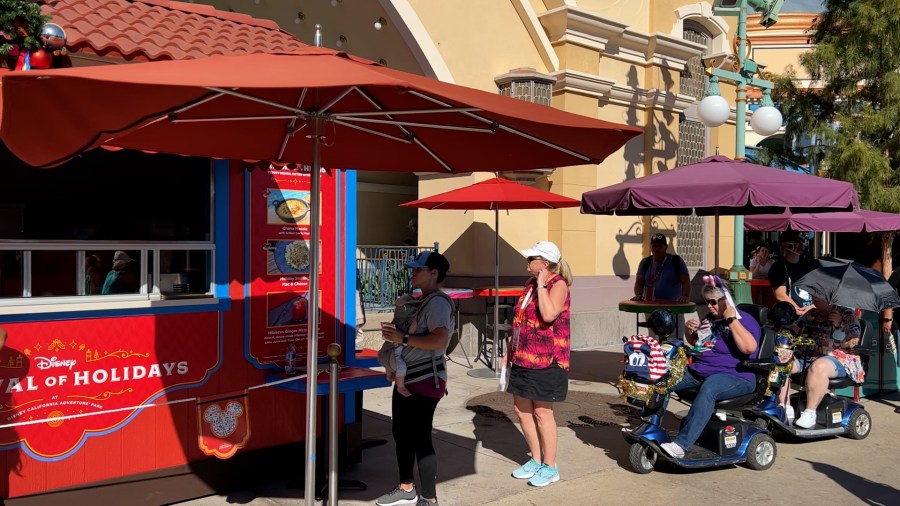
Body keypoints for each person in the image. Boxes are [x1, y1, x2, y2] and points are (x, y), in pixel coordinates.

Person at [377, 251, 454, 506]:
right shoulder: (421, 301)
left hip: (425, 378)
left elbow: (440, 340)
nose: (413, 272)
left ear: (434, 273)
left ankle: (429, 498)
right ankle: (406, 487)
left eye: (418, 269)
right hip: (408, 376)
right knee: (401, 431)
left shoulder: (439, 303)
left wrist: (403, 339)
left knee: (420, 436)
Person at [659, 277, 761, 459]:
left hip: (737, 375)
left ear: (726, 300)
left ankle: (681, 445)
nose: (710, 306)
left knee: (710, 388)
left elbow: (749, 348)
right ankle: (652, 427)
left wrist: (731, 320)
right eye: (707, 302)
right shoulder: (709, 319)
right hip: (702, 370)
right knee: (663, 378)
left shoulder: (745, 321)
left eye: (714, 302)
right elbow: (700, 344)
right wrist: (690, 333)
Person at [507, 240, 572, 487]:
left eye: (531, 259)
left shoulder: (558, 285)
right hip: (523, 356)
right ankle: (535, 459)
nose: (527, 263)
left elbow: (548, 314)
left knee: (542, 412)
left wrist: (543, 285)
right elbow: (520, 319)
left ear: (544, 264)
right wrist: (510, 350)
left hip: (548, 359)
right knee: (521, 410)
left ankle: (550, 465)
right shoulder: (529, 285)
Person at [781, 296, 862, 428]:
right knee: (782, 359)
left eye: (818, 295)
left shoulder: (847, 314)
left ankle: (810, 413)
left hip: (838, 357)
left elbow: (853, 342)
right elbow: (794, 329)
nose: (814, 298)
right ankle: (784, 406)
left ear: (830, 298)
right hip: (808, 355)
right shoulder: (811, 313)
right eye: (813, 295)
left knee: (818, 366)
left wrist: (839, 325)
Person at [631, 233, 690, 302]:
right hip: (650, 306)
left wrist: (685, 296)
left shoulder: (676, 261)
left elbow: (686, 281)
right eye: (654, 246)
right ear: (651, 247)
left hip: (673, 308)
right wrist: (638, 295)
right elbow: (639, 283)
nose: (657, 249)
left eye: (660, 246)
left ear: (666, 247)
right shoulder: (645, 262)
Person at [768, 231, 814, 316]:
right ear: (786, 246)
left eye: (801, 240)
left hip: (811, 313)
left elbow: (817, 289)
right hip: (790, 315)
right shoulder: (778, 267)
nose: (800, 243)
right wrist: (798, 311)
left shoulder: (807, 264)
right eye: (796, 240)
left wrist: (813, 307)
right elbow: (780, 295)